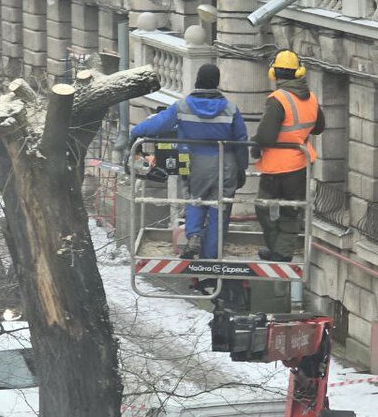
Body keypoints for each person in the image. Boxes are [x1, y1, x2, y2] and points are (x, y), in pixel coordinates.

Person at [129, 63, 248, 260]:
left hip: (198, 163)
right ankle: (211, 257)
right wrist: (241, 168)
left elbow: (158, 124)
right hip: (226, 164)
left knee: (196, 199)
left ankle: (193, 237)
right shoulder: (230, 109)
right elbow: (241, 140)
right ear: (217, 83)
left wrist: (135, 132)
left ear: (197, 81)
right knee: (220, 207)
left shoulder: (183, 106)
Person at [252, 51, 325, 262]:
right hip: (300, 164)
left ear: (274, 73)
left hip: (275, 167)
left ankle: (276, 248)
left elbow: (266, 135)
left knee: (263, 208)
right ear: (299, 72)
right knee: (292, 211)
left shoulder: (278, 99)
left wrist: (255, 145)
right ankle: (283, 253)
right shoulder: (311, 98)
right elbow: (319, 127)